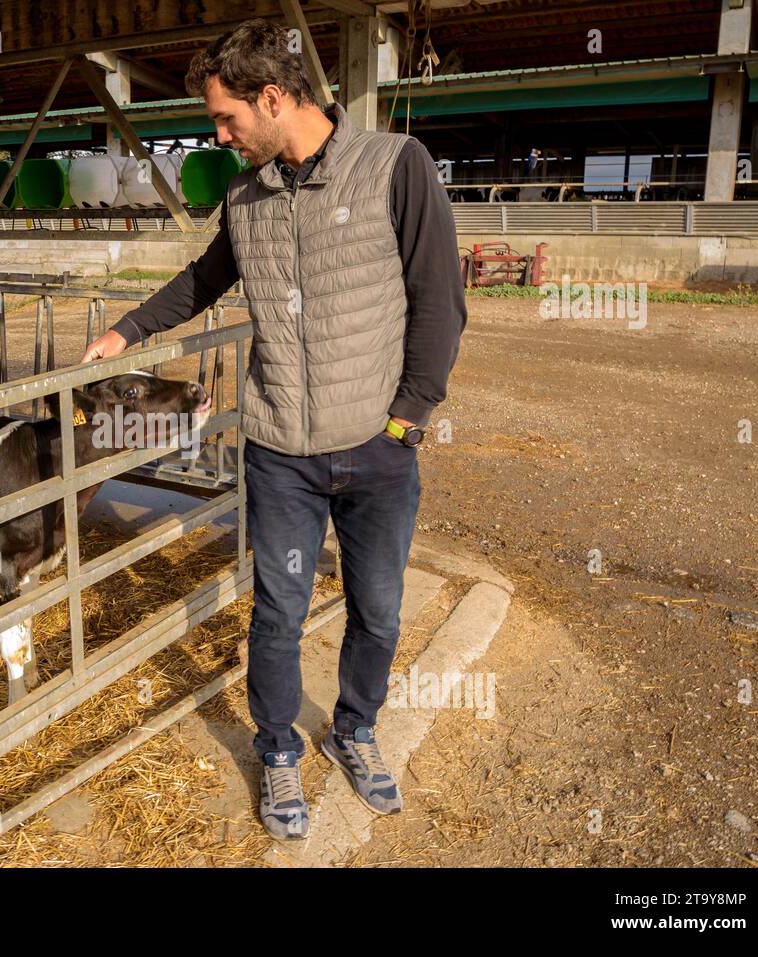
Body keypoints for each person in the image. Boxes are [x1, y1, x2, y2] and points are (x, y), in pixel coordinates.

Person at [81, 18, 467, 841]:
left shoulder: (396, 166)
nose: (220, 136)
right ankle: (278, 748)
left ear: (273, 96)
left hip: (376, 444)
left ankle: (356, 730)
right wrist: (127, 333)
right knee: (279, 609)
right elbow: (204, 279)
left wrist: (409, 416)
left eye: (226, 120)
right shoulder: (245, 198)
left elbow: (439, 299)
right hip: (280, 452)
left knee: (378, 608)